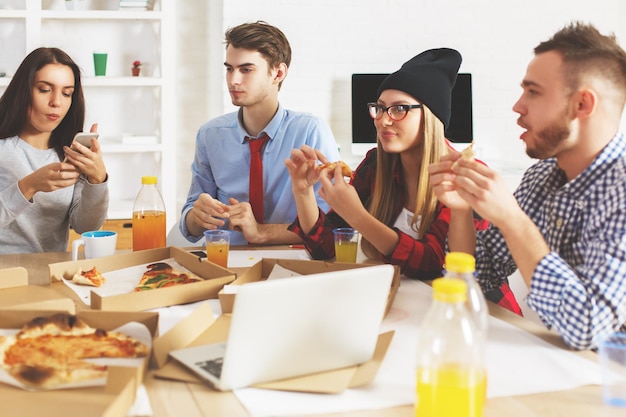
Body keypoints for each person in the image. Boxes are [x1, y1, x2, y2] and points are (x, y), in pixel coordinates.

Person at [428, 22, 626, 350]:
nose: (518, 106)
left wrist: (512, 219)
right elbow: (479, 276)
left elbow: (591, 329)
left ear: (582, 105)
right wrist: (461, 210)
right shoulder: (541, 177)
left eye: (533, 92)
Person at [285, 47, 520, 314]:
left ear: (430, 116)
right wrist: (302, 191)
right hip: (410, 308)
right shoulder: (376, 165)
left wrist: (359, 216)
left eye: (399, 109)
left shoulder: (463, 174)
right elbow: (326, 247)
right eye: (380, 108)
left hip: (481, 314)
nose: (383, 120)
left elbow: (434, 263)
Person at [180, 21, 340, 246]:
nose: (233, 80)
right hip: (226, 262)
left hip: (293, 261)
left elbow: (332, 227)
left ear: (278, 73)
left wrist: (261, 232)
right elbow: (190, 228)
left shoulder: (310, 132)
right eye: (229, 68)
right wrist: (196, 216)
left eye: (246, 69)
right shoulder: (210, 135)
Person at [0, 47, 109, 254]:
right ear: (24, 91)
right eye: (44, 89)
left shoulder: (70, 155)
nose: (56, 102)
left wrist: (97, 180)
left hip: (51, 273)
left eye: (67, 93)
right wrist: (28, 186)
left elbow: (85, 227)